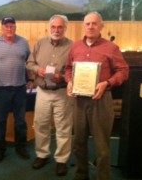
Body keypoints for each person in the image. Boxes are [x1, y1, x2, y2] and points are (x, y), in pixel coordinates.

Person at [65, 12, 129, 180]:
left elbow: (123, 71)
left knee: (102, 147)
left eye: (94, 23)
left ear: (102, 26)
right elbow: (68, 69)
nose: (90, 27)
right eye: (87, 24)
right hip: (78, 101)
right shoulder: (76, 46)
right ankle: (81, 175)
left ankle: (103, 177)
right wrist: (70, 81)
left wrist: (106, 83)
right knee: (78, 143)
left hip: (101, 101)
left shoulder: (111, 48)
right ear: (83, 26)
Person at [26, 14, 73, 176]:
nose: (56, 30)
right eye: (53, 27)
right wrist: (37, 70)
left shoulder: (73, 46)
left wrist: (63, 77)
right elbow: (29, 63)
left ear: (65, 28)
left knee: (63, 127)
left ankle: (61, 160)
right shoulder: (40, 43)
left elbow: (76, 70)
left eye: (60, 27)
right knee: (41, 124)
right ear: (49, 27)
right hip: (43, 92)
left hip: (62, 92)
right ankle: (42, 154)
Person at [0, 16, 31, 163]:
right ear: (2, 27)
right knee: (1, 121)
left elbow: (29, 64)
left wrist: (30, 79)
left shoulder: (23, 42)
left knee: (20, 121)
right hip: (2, 89)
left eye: (12, 25)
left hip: (20, 88)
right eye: (6, 26)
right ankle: (0, 150)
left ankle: (21, 147)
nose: (9, 28)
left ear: (15, 27)